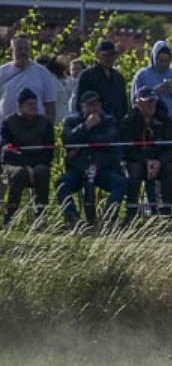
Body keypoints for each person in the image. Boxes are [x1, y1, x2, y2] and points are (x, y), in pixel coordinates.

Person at [56, 90, 128, 225]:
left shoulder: (109, 121)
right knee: (62, 184)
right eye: (90, 105)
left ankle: (108, 218)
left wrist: (82, 145)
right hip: (78, 169)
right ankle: (74, 220)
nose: (94, 108)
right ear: (82, 106)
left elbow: (108, 140)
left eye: (97, 105)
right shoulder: (71, 121)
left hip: (102, 169)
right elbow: (68, 140)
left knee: (121, 183)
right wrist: (86, 126)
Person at [119, 85, 172, 219]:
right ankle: (132, 213)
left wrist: (159, 162)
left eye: (154, 101)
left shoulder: (165, 120)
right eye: (147, 101)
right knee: (134, 172)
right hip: (137, 161)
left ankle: (166, 211)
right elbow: (128, 149)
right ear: (138, 103)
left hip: (159, 161)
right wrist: (146, 162)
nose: (152, 104)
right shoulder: (128, 121)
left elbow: (171, 147)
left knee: (170, 170)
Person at [1, 87, 54, 223]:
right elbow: (7, 150)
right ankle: (10, 216)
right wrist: (25, 164)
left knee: (42, 172)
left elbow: (49, 151)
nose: (33, 107)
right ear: (20, 106)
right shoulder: (8, 124)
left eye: (34, 104)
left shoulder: (45, 124)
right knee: (19, 173)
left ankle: (41, 217)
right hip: (15, 163)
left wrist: (33, 164)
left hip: (38, 162)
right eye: (29, 104)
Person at [0, 34, 61, 121]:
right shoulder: (2, 72)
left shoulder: (43, 73)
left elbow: (50, 105)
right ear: (12, 51)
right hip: (6, 129)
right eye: (19, 49)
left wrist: (49, 129)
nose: (23, 52)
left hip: (35, 129)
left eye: (26, 48)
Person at [131, 41, 172, 119]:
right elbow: (135, 100)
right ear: (154, 58)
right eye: (161, 60)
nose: (164, 64)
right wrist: (155, 91)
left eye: (167, 61)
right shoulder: (142, 75)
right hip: (151, 121)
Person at [73, 40, 128, 120]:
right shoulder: (88, 75)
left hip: (117, 125)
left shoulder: (118, 77)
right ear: (97, 55)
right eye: (106, 55)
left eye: (112, 55)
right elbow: (80, 103)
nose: (110, 58)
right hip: (96, 125)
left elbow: (123, 104)